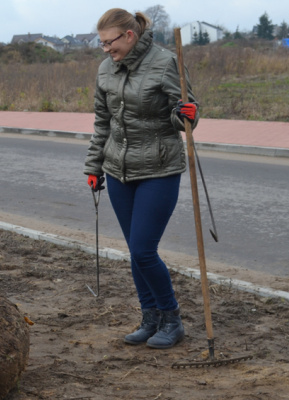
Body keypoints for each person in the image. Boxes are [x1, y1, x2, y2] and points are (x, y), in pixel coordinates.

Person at [84, 8, 198, 350]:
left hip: (158, 169)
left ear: (129, 36)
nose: (105, 50)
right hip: (118, 171)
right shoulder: (106, 69)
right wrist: (93, 166)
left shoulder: (165, 63)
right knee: (135, 252)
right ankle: (150, 319)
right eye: (101, 44)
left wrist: (187, 115)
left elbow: (184, 117)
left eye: (109, 42)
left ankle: (171, 318)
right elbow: (102, 124)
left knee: (144, 250)